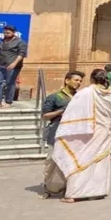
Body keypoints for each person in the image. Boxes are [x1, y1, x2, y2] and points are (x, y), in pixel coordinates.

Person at [52, 68, 111, 203]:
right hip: (104, 132)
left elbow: (72, 113)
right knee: (99, 162)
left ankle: (73, 194)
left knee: (81, 159)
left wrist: (65, 131)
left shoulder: (85, 93)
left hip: (86, 131)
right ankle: (98, 191)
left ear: (92, 79)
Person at [40, 70, 84, 198]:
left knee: (71, 162)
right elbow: (44, 116)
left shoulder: (80, 98)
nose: (78, 83)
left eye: (80, 81)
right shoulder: (55, 97)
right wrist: (60, 112)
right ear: (67, 80)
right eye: (76, 80)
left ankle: (68, 188)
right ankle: (48, 188)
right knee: (52, 161)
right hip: (56, 133)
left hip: (74, 134)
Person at [0, 25, 27, 108]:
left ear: (13, 33)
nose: (6, 34)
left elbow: (21, 54)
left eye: (8, 33)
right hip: (0, 66)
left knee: (10, 83)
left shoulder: (20, 42)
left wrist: (14, 63)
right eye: (4, 32)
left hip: (13, 66)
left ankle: (8, 102)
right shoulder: (1, 42)